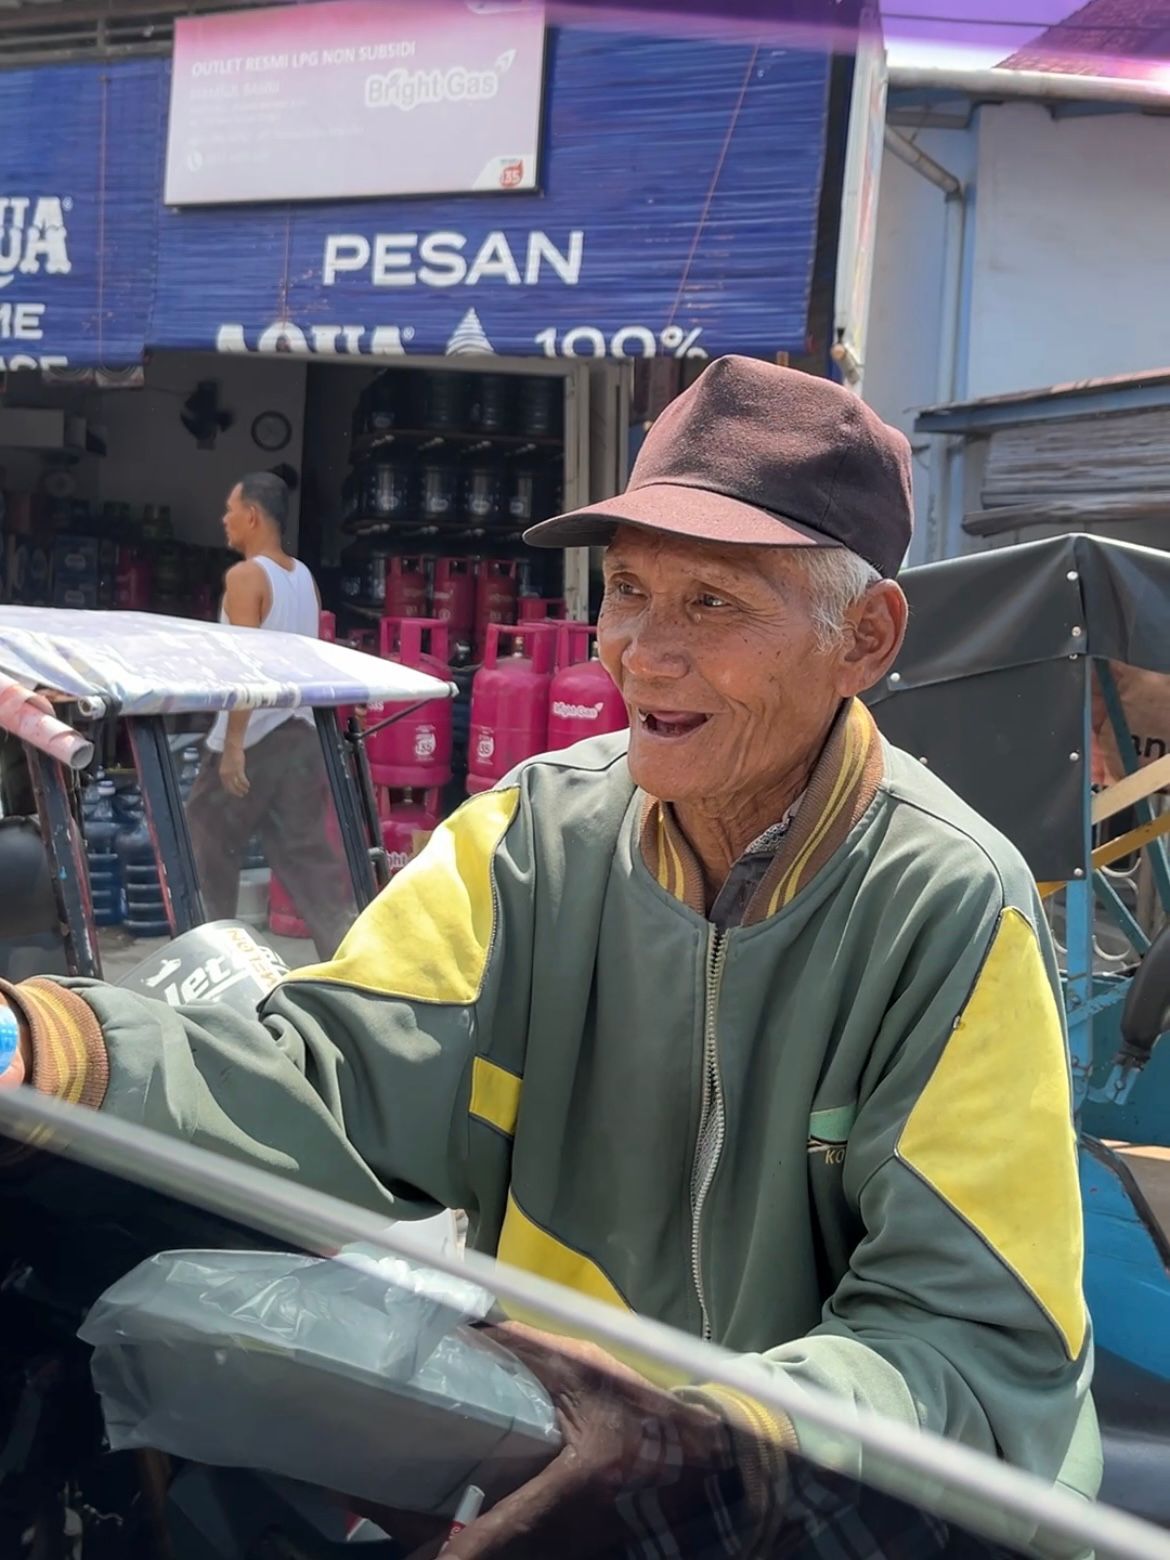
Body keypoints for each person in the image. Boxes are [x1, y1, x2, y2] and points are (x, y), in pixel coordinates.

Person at [0, 360, 1097, 1555]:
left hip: (794, 1513)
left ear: (865, 638)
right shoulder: (530, 837)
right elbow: (324, 1080)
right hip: (547, 1463)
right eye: (627, 591)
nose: (641, 653)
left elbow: (971, 1342)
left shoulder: (945, 903)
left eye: (714, 605)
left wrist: (722, 1434)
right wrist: (53, 1047)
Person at [186, 472, 353, 961]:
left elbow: (247, 665)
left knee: (206, 848)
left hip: (254, 736)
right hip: (299, 735)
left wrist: (233, 745)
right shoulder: (303, 578)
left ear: (253, 516)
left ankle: (207, 958)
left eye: (230, 510)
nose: (224, 520)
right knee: (308, 862)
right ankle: (351, 963)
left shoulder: (245, 577)